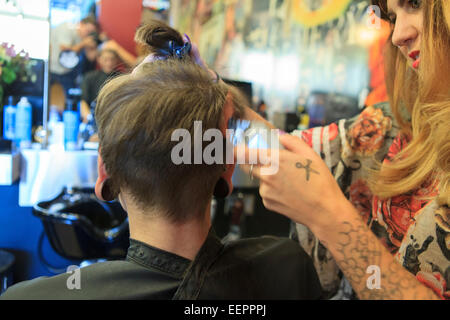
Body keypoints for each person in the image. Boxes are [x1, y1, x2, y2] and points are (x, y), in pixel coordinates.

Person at [0, 21, 322, 300]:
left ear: (104, 173)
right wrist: (215, 87)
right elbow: (303, 161)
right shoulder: (287, 271)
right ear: (227, 169)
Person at [229, 0, 449, 300]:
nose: (397, 34)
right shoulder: (399, 126)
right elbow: (285, 150)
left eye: (415, 4)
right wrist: (213, 88)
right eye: (394, 16)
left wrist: (328, 215)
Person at [50, 16, 100, 96]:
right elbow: (65, 50)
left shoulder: (85, 38)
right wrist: (83, 44)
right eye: (87, 30)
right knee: (44, 97)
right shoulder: (67, 28)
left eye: (91, 32)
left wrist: (100, 42)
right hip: (51, 68)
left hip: (68, 72)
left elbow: (91, 57)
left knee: (69, 99)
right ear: (80, 24)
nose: (88, 34)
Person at [80, 48, 122, 123]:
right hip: (93, 117)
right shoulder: (89, 77)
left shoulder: (122, 78)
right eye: (105, 59)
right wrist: (87, 117)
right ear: (99, 59)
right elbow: (83, 101)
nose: (109, 63)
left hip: (116, 118)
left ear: (116, 60)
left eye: (112, 59)